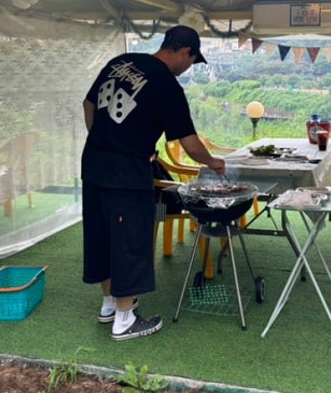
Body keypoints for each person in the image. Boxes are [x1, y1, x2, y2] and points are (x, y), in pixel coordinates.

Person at [81, 25, 226, 341]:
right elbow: (189, 142)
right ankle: (125, 319)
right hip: (127, 175)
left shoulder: (121, 62)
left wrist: (103, 140)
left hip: (93, 166)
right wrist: (212, 162)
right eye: (192, 61)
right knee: (128, 241)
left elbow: (88, 105)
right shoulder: (166, 85)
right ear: (185, 52)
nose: (188, 68)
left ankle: (108, 305)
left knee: (101, 236)